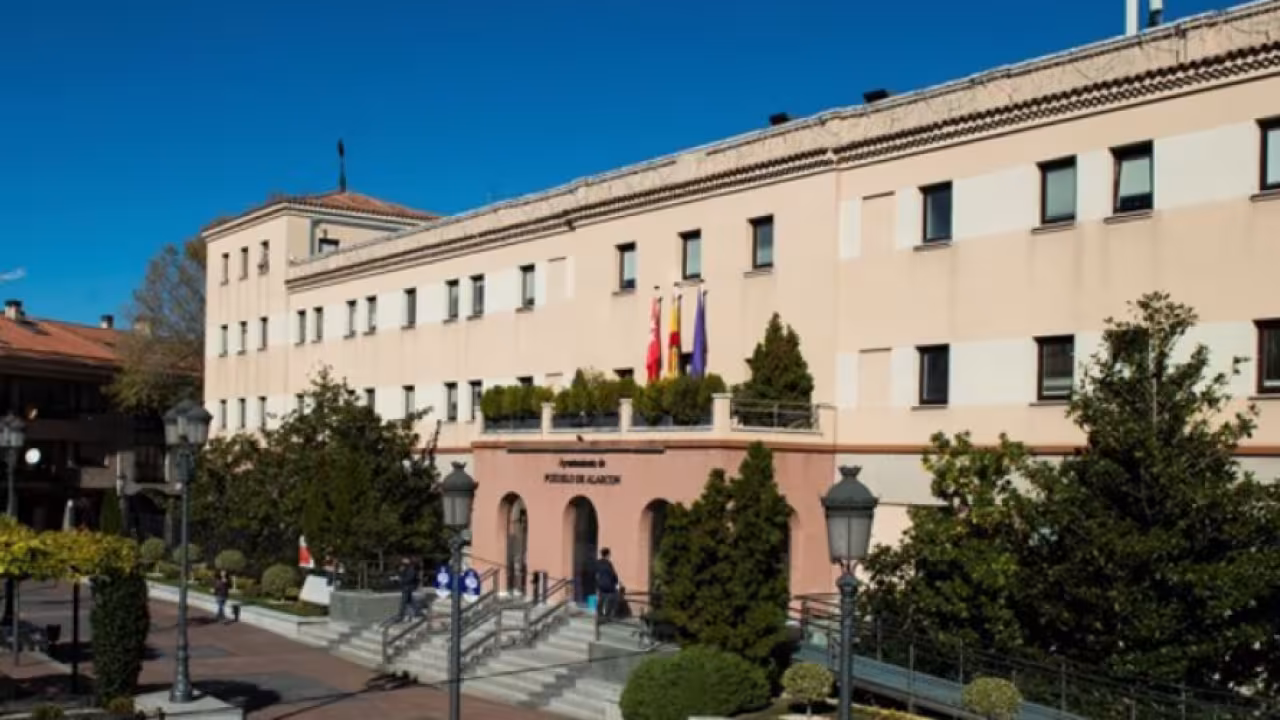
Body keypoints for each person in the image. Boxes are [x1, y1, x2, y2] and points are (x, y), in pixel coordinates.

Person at [594, 548, 620, 620]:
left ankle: (599, 614)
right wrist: (616, 582)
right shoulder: (608, 563)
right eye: (609, 554)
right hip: (609, 585)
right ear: (608, 555)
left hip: (600, 585)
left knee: (601, 599)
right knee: (612, 598)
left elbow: (595, 573)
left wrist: (597, 583)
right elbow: (613, 574)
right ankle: (607, 616)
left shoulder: (598, 562)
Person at [397, 557, 423, 623]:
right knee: (410, 601)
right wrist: (400, 573)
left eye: (405, 560)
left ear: (408, 561)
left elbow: (409, 578)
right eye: (403, 560)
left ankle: (400, 615)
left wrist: (400, 580)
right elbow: (402, 575)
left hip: (408, 587)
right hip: (406, 586)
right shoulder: (405, 568)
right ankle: (418, 612)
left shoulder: (411, 568)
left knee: (404, 601)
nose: (403, 561)